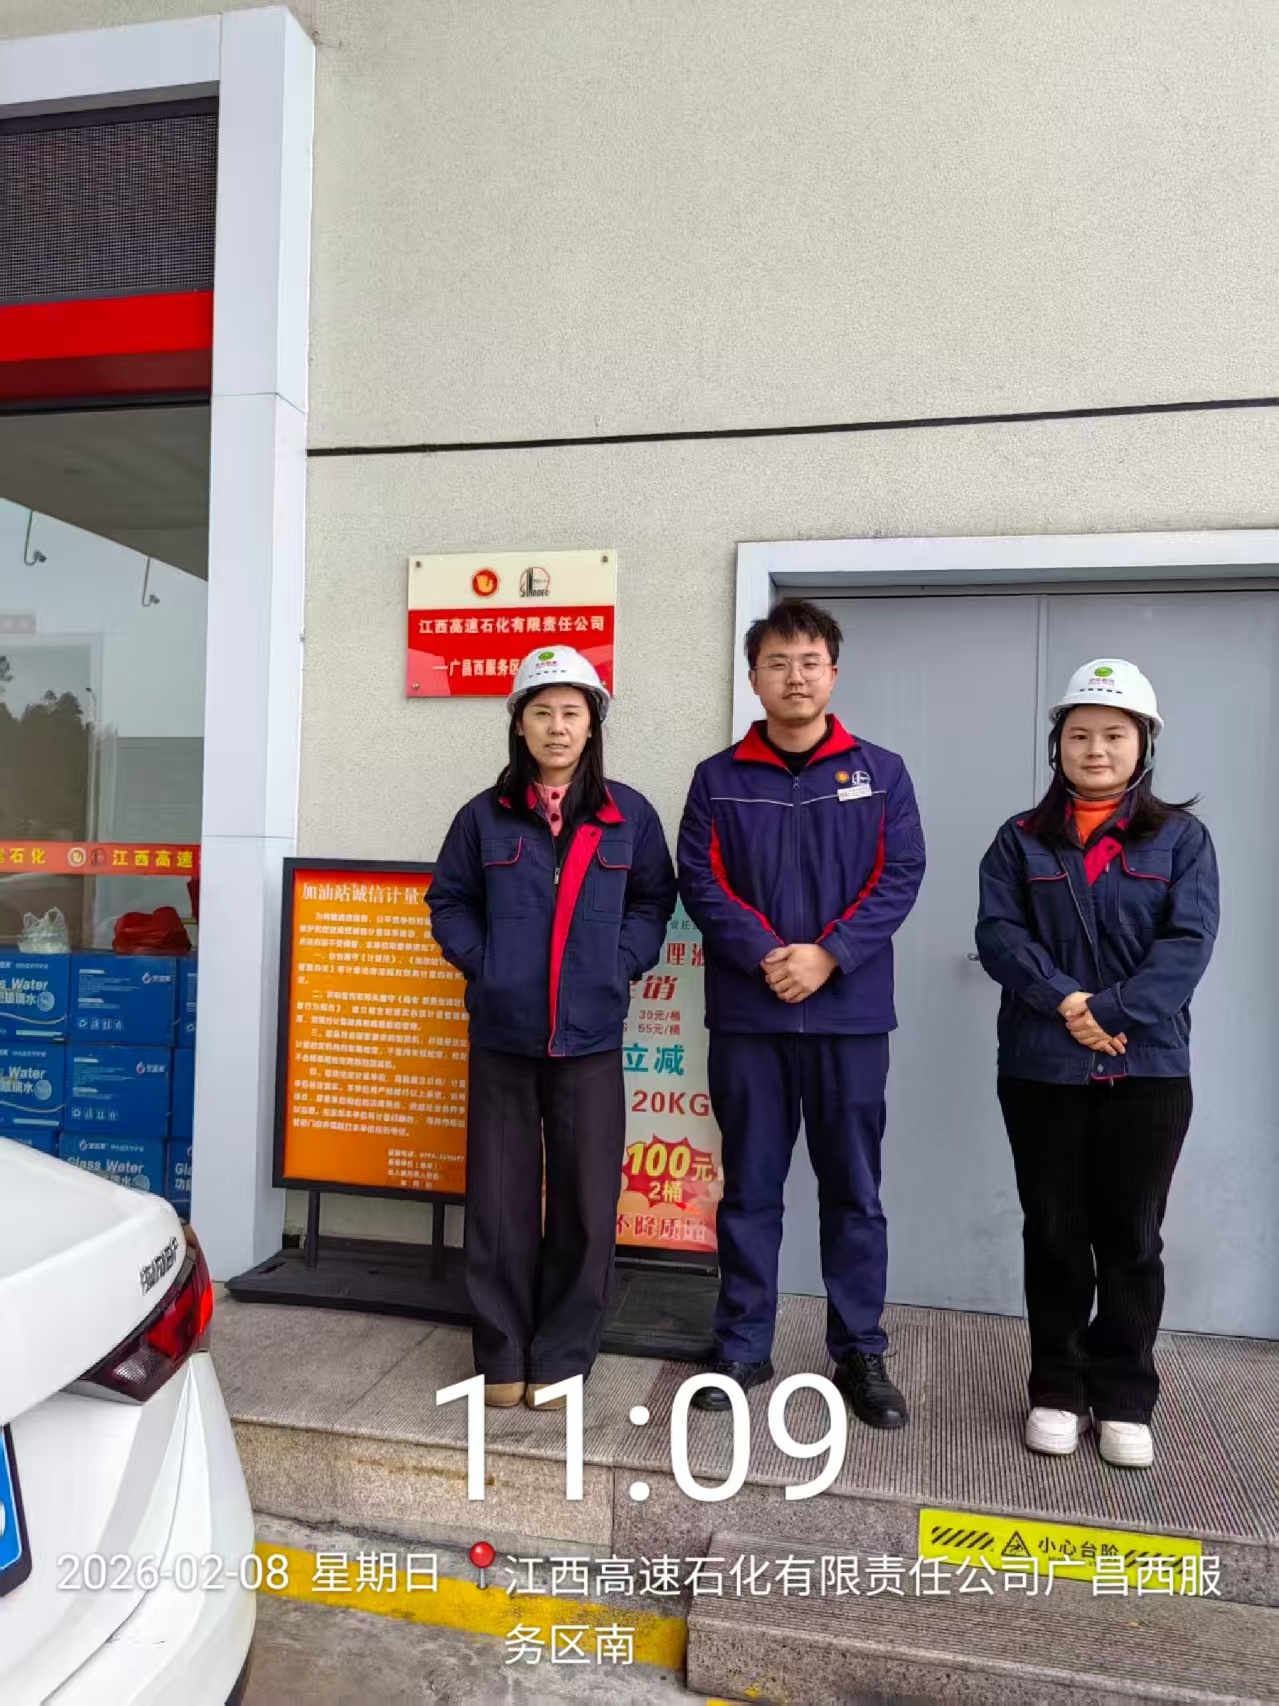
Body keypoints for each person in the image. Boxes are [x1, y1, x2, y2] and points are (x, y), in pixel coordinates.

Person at [677, 601, 925, 1427]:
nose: (795, 676)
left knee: (853, 1191)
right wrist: (765, 954)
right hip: (749, 1019)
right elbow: (699, 880)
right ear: (754, 678)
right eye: (777, 662)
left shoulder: (880, 773)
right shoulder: (718, 779)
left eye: (809, 661)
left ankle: (859, 1351)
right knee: (749, 1189)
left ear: (833, 673)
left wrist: (828, 955)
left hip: (850, 1018)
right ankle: (742, 1346)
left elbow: (899, 875)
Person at [976, 659, 1218, 1470]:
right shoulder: (1019, 838)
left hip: (1147, 1068)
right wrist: (1066, 1003)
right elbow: (998, 934)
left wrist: (1109, 1012)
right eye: (1079, 734)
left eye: (1113, 734)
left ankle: (1122, 1397)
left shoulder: (1180, 839)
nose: (1095, 749)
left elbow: (1186, 945)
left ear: (1143, 744)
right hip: (1041, 1066)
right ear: (1057, 746)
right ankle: (1054, 1387)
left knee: (1131, 1237)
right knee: (1052, 1232)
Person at [429, 645, 676, 1409]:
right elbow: (448, 901)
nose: (557, 727)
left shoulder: (627, 815)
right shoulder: (483, 816)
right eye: (542, 712)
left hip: (590, 1038)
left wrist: (619, 963)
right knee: (498, 1202)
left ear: (592, 725)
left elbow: (652, 901)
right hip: (503, 1035)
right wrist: (489, 966)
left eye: (571, 712)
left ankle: (563, 1353)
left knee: (585, 1202)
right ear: (519, 724)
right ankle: (502, 1351)